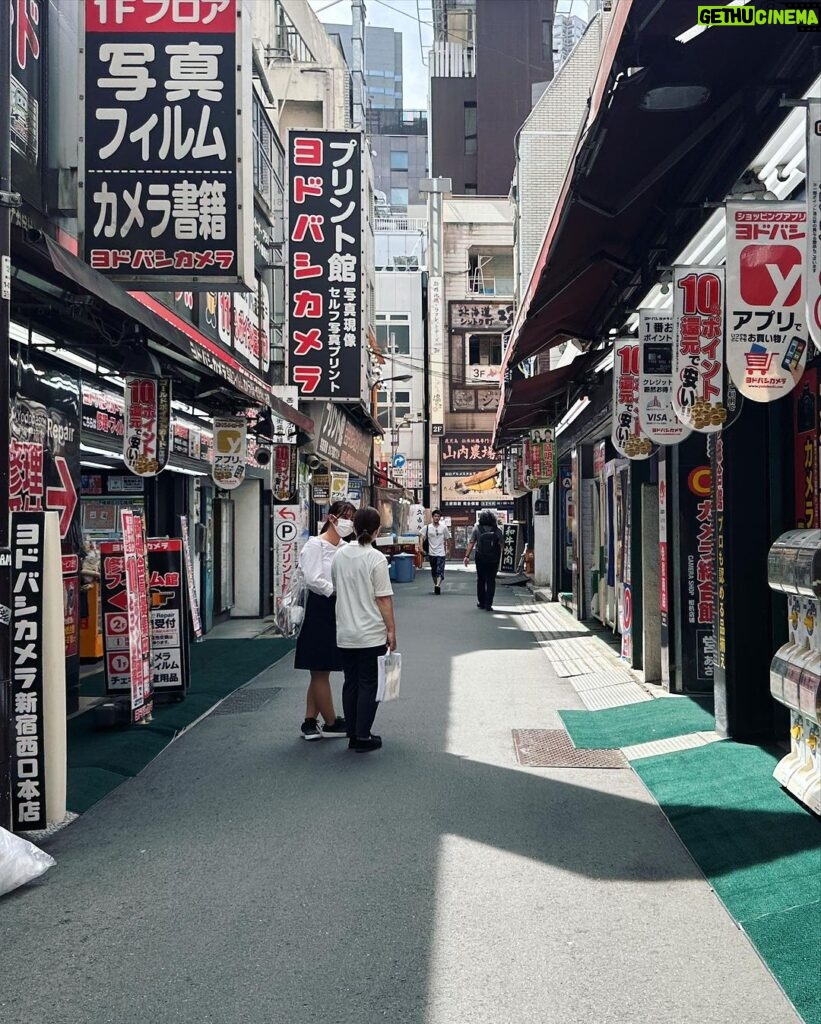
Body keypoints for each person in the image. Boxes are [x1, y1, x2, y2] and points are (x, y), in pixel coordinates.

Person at [332, 506, 397, 753]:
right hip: (370, 633)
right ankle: (362, 736)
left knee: (351, 682)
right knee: (369, 683)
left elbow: (336, 589)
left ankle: (352, 733)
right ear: (377, 530)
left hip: (345, 632)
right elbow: (383, 599)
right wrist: (391, 631)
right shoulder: (375, 558)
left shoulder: (339, 555)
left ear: (354, 527)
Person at [294, 500, 356, 740]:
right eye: (345, 516)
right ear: (332, 518)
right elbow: (312, 578)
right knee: (320, 668)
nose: (348, 521)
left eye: (352, 516)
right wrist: (335, 591)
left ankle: (310, 721)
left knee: (321, 669)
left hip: (336, 608)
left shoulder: (344, 546)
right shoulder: (315, 545)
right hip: (320, 608)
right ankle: (331, 722)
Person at [463, 510, 504, 611]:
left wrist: (466, 556)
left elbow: (471, 542)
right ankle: (488, 604)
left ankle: (481, 602)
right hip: (493, 559)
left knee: (481, 579)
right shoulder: (497, 530)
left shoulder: (477, 529)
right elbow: (502, 544)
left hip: (480, 558)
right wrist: (501, 557)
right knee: (491, 580)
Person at [419, 508, 451, 595]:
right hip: (431, 552)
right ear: (432, 517)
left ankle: (438, 585)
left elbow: (448, 539)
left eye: (438, 516)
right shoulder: (427, 528)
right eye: (435, 516)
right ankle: (436, 585)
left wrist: (448, 550)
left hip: (441, 552)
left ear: (440, 518)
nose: (437, 518)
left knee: (440, 570)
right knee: (434, 571)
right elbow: (421, 537)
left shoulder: (443, 528)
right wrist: (421, 548)